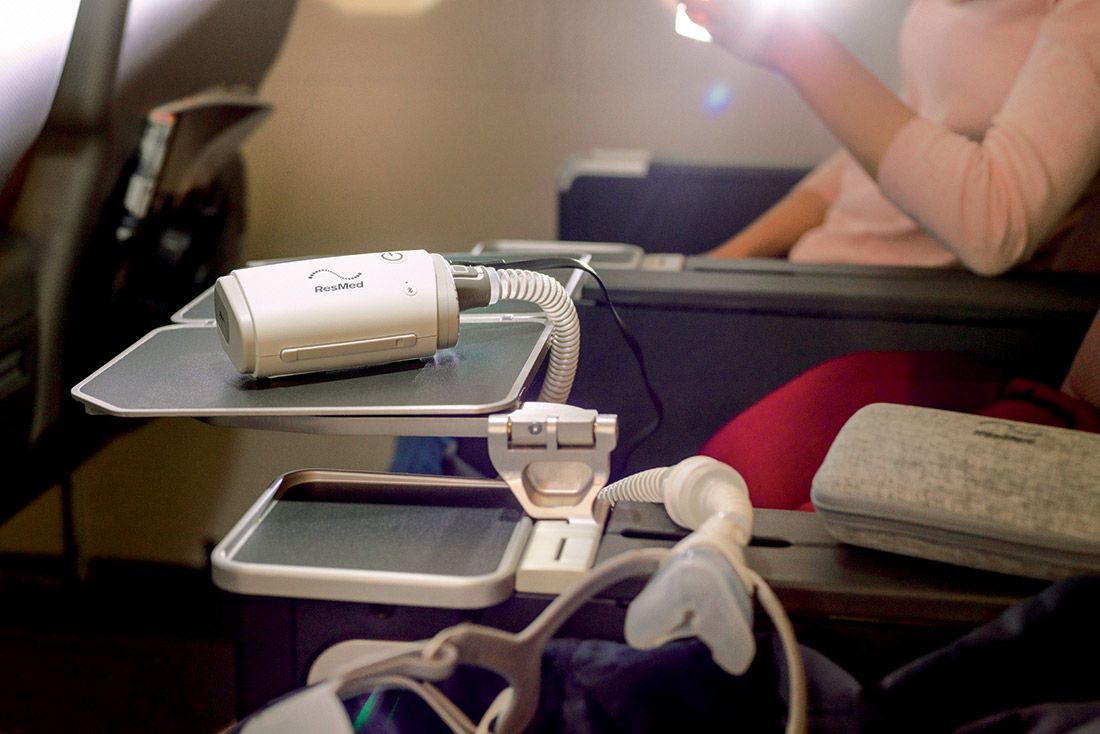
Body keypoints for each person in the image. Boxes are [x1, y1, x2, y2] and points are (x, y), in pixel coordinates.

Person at [685, 0, 1100, 274]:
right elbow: (892, 140)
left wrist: (795, 46)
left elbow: (996, 229)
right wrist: (719, 263)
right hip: (824, 274)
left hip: (915, 315)